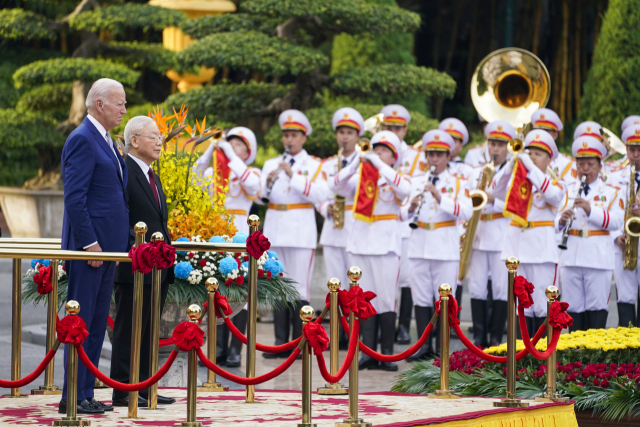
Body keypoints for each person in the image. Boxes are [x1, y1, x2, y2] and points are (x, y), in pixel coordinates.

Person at [59, 78, 129, 414]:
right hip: (90, 251)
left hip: (107, 251)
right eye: (120, 103)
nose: (124, 110)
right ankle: (72, 395)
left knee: (97, 323)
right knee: (82, 321)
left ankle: (85, 391)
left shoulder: (106, 140)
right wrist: (90, 244)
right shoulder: (82, 139)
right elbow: (74, 198)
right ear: (99, 104)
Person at [329, 130, 411, 371]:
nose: (378, 152)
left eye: (384, 150)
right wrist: (356, 162)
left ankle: (385, 354)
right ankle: (367, 351)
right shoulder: (360, 178)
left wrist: (378, 164)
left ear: (393, 156)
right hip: (360, 243)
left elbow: (405, 191)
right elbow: (335, 185)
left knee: (385, 299)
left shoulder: (396, 177)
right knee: (362, 298)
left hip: (385, 245)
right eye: (376, 148)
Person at [109, 116, 175, 407]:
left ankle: (146, 385)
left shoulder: (152, 174)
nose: (160, 142)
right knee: (128, 329)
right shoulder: (123, 172)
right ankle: (124, 389)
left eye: (160, 137)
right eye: (154, 136)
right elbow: (118, 216)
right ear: (134, 140)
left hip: (157, 268)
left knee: (150, 329)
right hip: (134, 266)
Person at [260, 109, 329, 358]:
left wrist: (293, 176)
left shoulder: (314, 165)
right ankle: (280, 344)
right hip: (275, 230)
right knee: (278, 287)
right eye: (285, 135)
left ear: (303, 138)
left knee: (299, 289)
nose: (289, 140)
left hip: (300, 232)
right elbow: (259, 196)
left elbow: (321, 195)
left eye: (293, 135)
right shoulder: (271, 163)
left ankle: (299, 345)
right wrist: (267, 181)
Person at [402, 129, 472, 361]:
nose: (434, 159)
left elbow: (467, 211)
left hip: (444, 244)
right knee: (421, 297)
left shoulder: (458, 182)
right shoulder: (416, 181)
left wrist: (441, 197)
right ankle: (423, 346)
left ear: (448, 156)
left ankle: (442, 347)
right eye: (430, 154)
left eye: (439, 154)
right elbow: (401, 213)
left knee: (444, 297)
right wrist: (411, 207)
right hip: (419, 242)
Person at [195, 127, 260, 367]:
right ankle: (218, 347)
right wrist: (210, 150)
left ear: (247, 151)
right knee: (216, 289)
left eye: (238, 145)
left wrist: (231, 158)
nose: (231, 147)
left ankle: (235, 349)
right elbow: (193, 178)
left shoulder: (250, 171)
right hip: (215, 232)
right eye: (229, 143)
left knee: (240, 294)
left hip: (240, 233)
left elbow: (253, 187)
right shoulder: (214, 172)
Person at [493, 130, 566, 334]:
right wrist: (509, 166)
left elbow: (553, 196)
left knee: (544, 307)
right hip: (517, 250)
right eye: (530, 153)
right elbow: (495, 191)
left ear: (549, 159)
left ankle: (544, 360)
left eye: (538, 154)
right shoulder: (518, 180)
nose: (532, 157)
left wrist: (531, 167)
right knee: (521, 308)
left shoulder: (556, 183)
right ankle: (521, 359)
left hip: (541, 252)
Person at [556, 136, 623, 331]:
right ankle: (575, 357)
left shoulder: (611, 192)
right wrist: (561, 220)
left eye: (590, 164)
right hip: (571, 255)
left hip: (597, 256)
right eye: (581, 164)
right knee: (573, 308)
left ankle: (594, 358)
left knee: (597, 308)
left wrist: (590, 210)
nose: (585, 168)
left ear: (600, 165)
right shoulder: (568, 190)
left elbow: (617, 221)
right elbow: (554, 220)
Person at [317, 107, 364, 348]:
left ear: (357, 136)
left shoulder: (363, 162)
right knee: (334, 284)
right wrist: (324, 207)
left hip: (355, 226)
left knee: (354, 286)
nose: (345, 137)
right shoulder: (326, 164)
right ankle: (338, 335)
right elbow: (319, 192)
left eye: (350, 132)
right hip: (333, 228)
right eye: (341, 132)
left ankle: (356, 335)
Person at [464, 120, 514, 347]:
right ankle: (479, 338)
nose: (495, 149)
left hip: (500, 233)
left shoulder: (513, 174)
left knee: (502, 288)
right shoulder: (476, 171)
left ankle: (496, 339)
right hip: (478, 232)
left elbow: (515, 206)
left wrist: (494, 201)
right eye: (492, 143)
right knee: (476, 286)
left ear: (508, 147)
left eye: (500, 145)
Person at [379, 104, 424, 345]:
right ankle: (380, 327)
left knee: (406, 278)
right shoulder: (379, 152)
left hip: (408, 221)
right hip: (387, 220)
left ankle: (404, 326)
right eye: (388, 127)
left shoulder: (417, 156)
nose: (393, 131)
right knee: (384, 280)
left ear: (405, 130)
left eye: (397, 128)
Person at [609, 124, 640, 327]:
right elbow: (607, 208)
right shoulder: (614, 177)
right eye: (631, 150)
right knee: (625, 297)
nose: (635, 154)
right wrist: (615, 234)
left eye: (639, 149)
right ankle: (628, 350)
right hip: (625, 243)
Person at [531, 108, 575, 183]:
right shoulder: (525, 159)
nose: (541, 135)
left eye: (546, 131)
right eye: (538, 131)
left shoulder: (567, 164)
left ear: (555, 135)